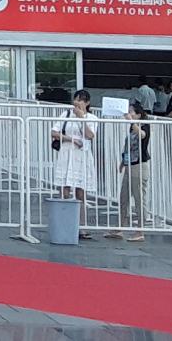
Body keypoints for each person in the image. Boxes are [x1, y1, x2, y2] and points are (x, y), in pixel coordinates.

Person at [50, 90, 97, 240]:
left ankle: (81, 226)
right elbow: (54, 132)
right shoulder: (66, 115)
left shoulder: (91, 118)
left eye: (80, 100)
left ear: (87, 103)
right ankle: (64, 224)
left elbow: (90, 135)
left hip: (81, 156)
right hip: (66, 153)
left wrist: (81, 117)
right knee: (64, 189)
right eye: (76, 99)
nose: (77, 103)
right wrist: (70, 139)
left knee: (80, 192)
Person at [104, 102, 150, 242]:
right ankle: (119, 227)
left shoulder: (144, 125)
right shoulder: (131, 127)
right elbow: (128, 146)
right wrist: (123, 161)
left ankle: (140, 230)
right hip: (130, 164)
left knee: (139, 198)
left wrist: (132, 122)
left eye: (131, 112)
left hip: (139, 166)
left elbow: (142, 135)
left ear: (138, 115)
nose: (129, 114)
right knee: (123, 197)